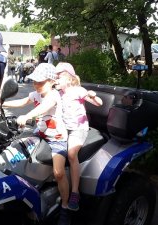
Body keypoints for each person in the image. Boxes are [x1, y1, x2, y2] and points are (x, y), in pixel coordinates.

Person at [2, 63, 71, 225]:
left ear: (52, 81)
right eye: (35, 81)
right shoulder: (35, 93)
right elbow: (22, 102)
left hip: (56, 138)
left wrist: (26, 117)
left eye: (41, 82)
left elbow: (43, 108)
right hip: (38, 133)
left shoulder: (53, 95)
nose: (36, 85)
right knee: (17, 152)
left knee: (59, 172)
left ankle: (66, 207)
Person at [55, 62, 103, 211]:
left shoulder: (78, 90)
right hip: (64, 128)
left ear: (68, 79)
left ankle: (75, 191)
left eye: (58, 77)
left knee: (71, 154)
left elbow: (99, 103)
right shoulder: (58, 93)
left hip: (78, 129)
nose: (55, 80)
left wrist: (93, 96)